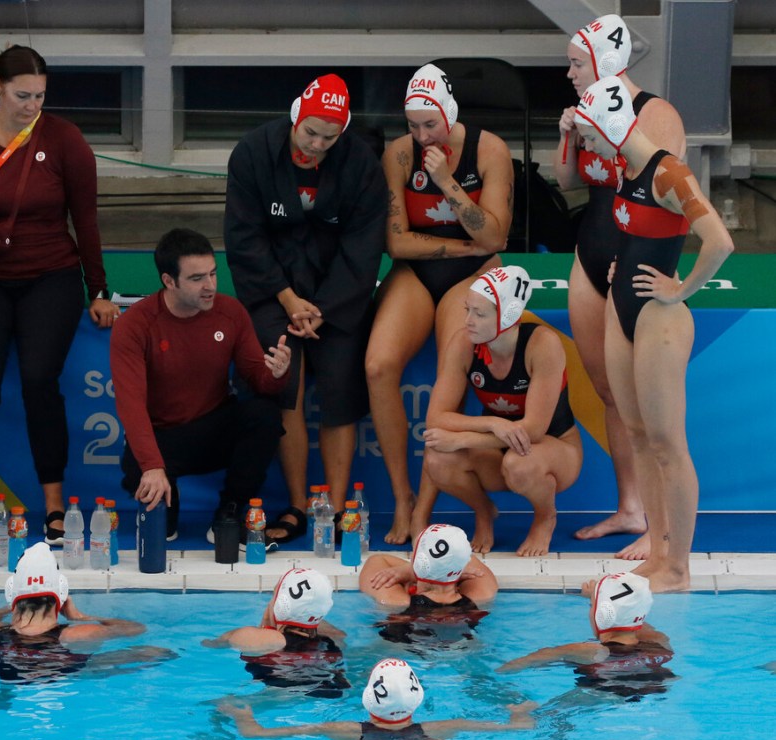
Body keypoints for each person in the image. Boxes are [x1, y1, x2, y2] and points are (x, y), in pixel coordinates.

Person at [0, 45, 121, 548]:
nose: (33, 106)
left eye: (40, 96)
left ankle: (55, 504)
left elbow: (87, 220)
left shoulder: (66, 140)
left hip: (50, 275)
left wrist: (98, 289)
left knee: (39, 381)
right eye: (22, 95)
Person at [574, 77, 732, 591]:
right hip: (624, 309)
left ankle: (679, 569)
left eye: (590, 136)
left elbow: (719, 240)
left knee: (667, 443)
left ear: (611, 128)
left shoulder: (669, 172)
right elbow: (637, 228)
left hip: (660, 318)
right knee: (639, 435)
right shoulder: (628, 167)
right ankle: (658, 555)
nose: (588, 148)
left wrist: (681, 287)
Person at [224, 74, 387, 546]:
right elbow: (244, 238)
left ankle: (333, 508)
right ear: (296, 117)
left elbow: (363, 245)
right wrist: (288, 299)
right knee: (284, 379)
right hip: (274, 290)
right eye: (310, 132)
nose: (316, 145)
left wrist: (324, 308)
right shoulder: (253, 152)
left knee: (339, 382)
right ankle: (298, 504)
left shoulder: (359, 163)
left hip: (337, 294)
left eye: (328, 138)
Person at [554, 15, 688, 560]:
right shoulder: (585, 111)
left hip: (634, 262)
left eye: (576, 63)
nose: (568, 74)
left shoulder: (657, 113)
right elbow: (569, 185)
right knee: (609, 390)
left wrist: (649, 262)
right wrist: (567, 137)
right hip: (591, 254)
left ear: (606, 63)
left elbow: (668, 192)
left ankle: (660, 526)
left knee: (650, 413)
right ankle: (631, 506)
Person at [366, 63, 514, 546]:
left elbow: (496, 236)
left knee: (445, 385)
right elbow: (396, 245)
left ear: (449, 115)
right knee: (378, 367)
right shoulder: (399, 154)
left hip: (471, 275)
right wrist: (459, 245)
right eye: (413, 125)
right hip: (425, 269)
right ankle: (403, 497)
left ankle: (426, 508)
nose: (422, 134)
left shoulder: (489, 151)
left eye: (431, 124)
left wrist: (448, 182)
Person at [110, 228, 291, 541]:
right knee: (161, 530)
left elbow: (258, 380)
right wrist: (152, 466)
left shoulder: (230, 312)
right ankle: (165, 502)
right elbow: (130, 402)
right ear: (169, 281)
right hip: (163, 438)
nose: (210, 286)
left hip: (213, 429)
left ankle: (231, 510)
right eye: (196, 279)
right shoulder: (135, 324)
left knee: (264, 414)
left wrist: (276, 374)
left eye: (213, 274)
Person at [420, 266, 582, 556]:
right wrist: (494, 423)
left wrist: (465, 439)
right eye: (467, 310)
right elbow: (436, 417)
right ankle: (484, 512)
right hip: (499, 449)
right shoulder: (464, 343)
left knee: (519, 463)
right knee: (437, 459)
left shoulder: (542, 344)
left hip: (553, 451)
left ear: (508, 316)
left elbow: (532, 430)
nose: (468, 321)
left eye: (479, 314)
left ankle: (545, 518)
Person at [0, 542, 175, 684]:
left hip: (2, 680)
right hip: (63, 678)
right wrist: (82, 617)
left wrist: (11, 607)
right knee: (154, 651)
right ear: (62, 597)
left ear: (12, 595)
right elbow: (136, 629)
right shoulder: (77, 633)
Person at [218, 657, 537, 740]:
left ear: (369, 700)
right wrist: (519, 712)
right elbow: (520, 730)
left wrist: (243, 715)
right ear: (416, 700)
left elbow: (255, 736)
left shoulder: (343, 729)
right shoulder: (443, 727)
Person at [498, 573, 675, 702]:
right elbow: (633, 612)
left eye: (592, 606)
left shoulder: (587, 652)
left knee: (546, 717)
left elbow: (518, 665)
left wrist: (499, 672)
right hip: (656, 690)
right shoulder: (658, 640)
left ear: (601, 614)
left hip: (602, 696)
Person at [203, 567, 350, 698]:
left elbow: (221, 642)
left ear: (281, 604)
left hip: (286, 694)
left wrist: (266, 625)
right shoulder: (333, 639)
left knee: (221, 705)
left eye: (274, 595)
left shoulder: (273, 639)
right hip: (334, 691)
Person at [360, 524, 497, 649]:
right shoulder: (482, 594)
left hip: (405, 653)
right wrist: (442, 571)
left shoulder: (396, 601)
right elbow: (470, 560)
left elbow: (376, 560)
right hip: (463, 650)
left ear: (418, 562)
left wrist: (409, 571)